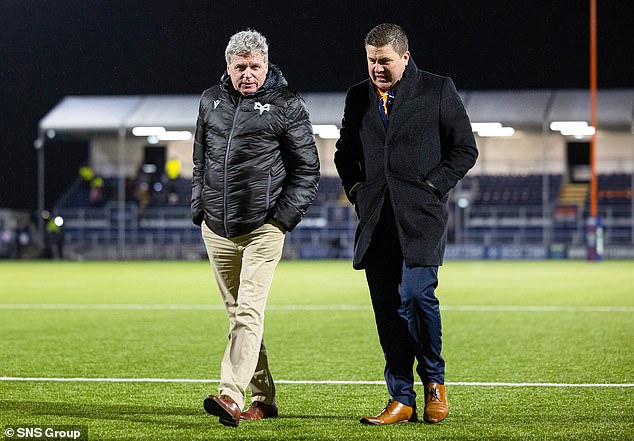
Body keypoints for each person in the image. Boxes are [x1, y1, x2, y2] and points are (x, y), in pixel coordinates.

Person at [334, 23, 478, 425]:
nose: (376, 68)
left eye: (384, 61)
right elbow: (344, 153)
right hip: (375, 218)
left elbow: (465, 148)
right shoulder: (357, 96)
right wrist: (359, 190)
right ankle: (401, 397)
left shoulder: (437, 89)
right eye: (370, 60)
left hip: (421, 218)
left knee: (417, 297)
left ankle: (434, 384)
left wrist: (433, 186)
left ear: (405, 57)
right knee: (387, 312)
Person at [191, 29, 320, 427]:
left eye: (255, 66)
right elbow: (200, 160)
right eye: (240, 67)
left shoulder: (287, 104)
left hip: (263, 228)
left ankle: (231, 395)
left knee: (248, 310)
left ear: (267, 64)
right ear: (228, 66)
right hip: (217, 228)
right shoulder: (209, 100)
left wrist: (281, 220)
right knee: (238, 316)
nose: (247, 74)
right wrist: (199, 208)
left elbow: (308, 170)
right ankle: (264, 399)